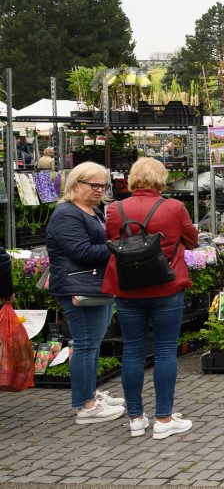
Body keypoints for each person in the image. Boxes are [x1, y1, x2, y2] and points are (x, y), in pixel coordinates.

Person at [103, 157, 198, 440]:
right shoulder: (173, 207)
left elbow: (113, 242)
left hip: (128, 287)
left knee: (132, 350)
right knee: (166, 350)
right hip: (166, 286)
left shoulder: (114, 209)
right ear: (161, 178)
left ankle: (135, 417)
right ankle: (164, 419)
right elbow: (191, 240)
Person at [46, 162, 125, 423]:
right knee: (85, 344)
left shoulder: (91, 210)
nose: (100, 190)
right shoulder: (67, 214)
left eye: (104, 185)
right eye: (94, 185)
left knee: (92, 344)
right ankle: (86, 406)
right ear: (76, 184)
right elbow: (81, 252)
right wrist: (117, 247)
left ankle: (89, 394)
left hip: (92, 284)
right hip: (77, 286)